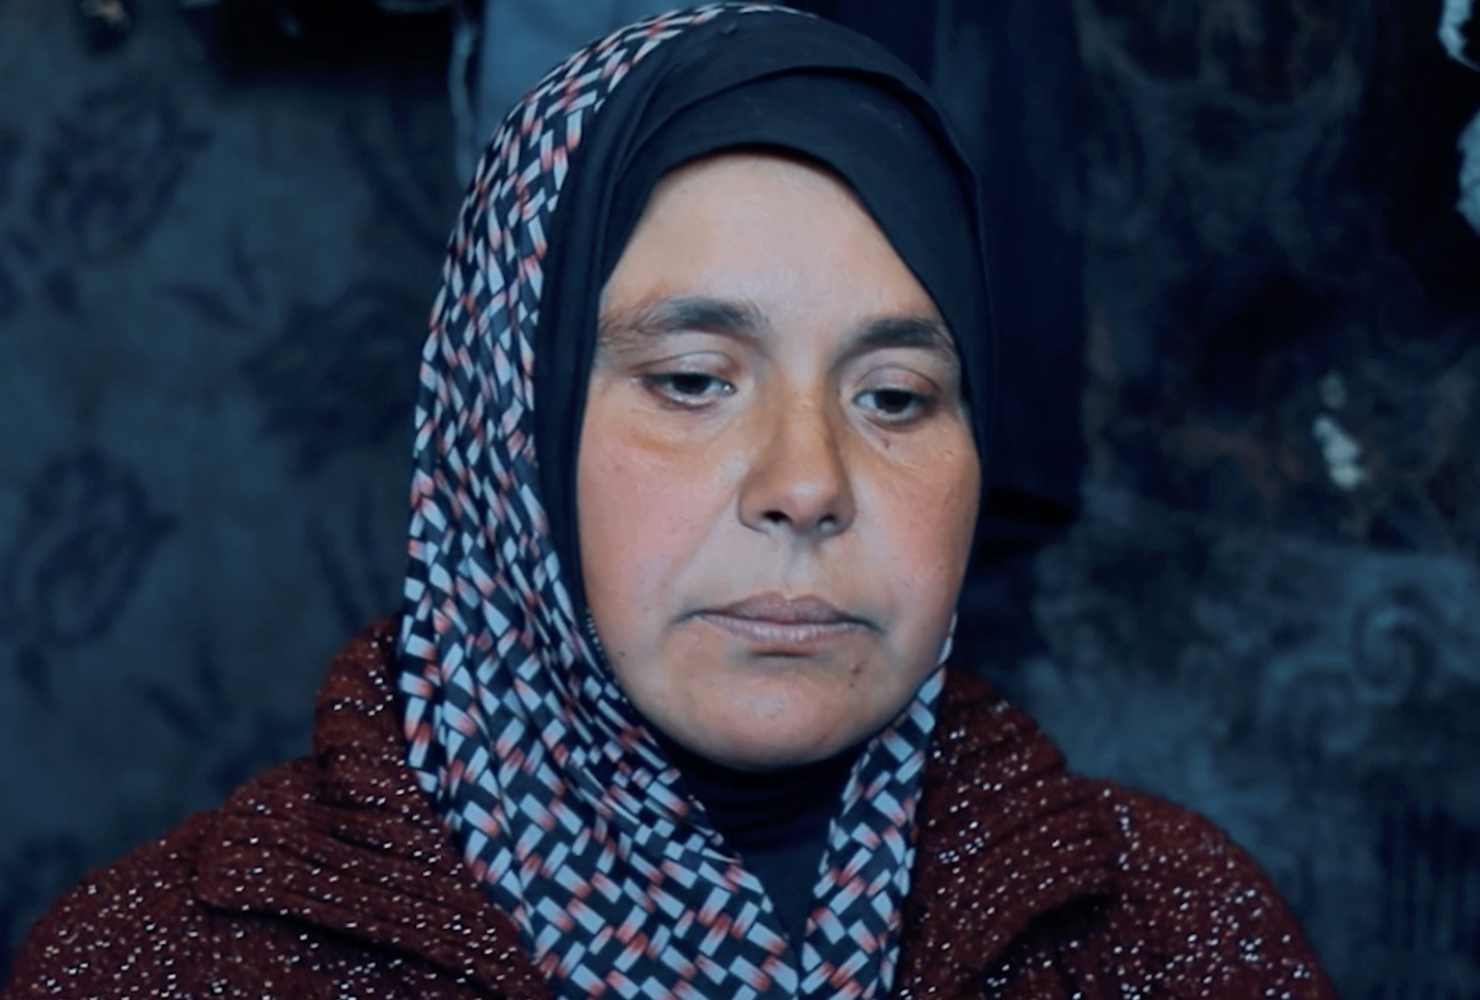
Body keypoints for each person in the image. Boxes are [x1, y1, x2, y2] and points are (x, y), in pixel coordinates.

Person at [2, 5, 1336, 998]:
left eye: (894, 397)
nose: (807, 484)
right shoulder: (167, 962)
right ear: (503, 438)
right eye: (694, 381)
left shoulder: (1173, 935)